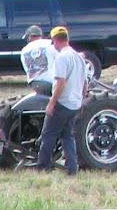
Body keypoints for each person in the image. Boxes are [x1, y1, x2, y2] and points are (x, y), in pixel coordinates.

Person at [38, 25, 89, 175]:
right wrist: (81, 99)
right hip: (74, 103)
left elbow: (61, 82)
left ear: (55, 41)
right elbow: (85, 82)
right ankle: (72, 169)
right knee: (67, 136)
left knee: (49, 135)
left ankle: (43, 167)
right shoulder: (79, 57)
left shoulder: (62, 58)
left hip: (62, 103)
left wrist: (52, 103)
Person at [19, 24, 54, 96]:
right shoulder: (50, 44)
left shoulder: (24, 50)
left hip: (37, 83)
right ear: (41, 35)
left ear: (29, 36)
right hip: (54, 81)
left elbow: (27, 69)